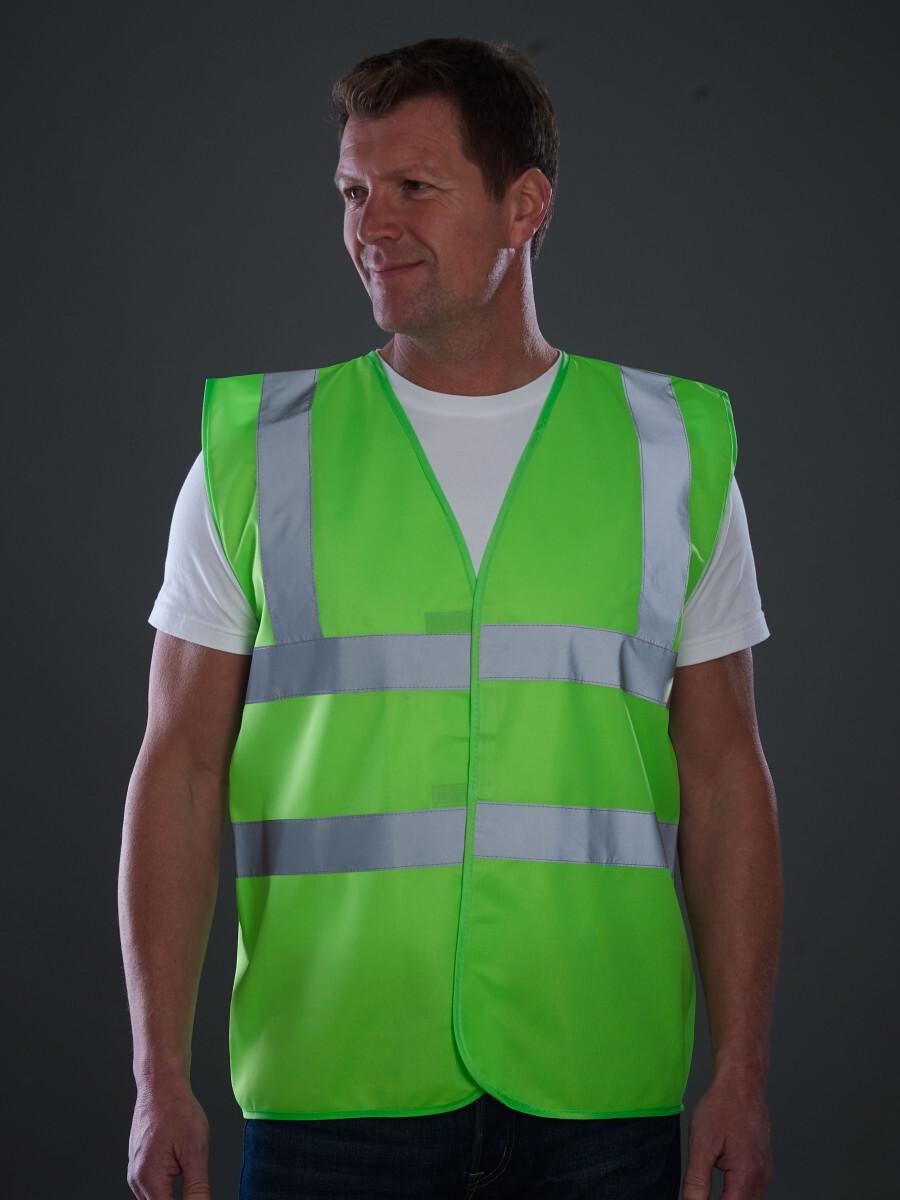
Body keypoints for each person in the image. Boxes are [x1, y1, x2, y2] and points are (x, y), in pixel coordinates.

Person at [119, 36, 782, 1200]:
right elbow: (175, 772)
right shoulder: (255, 456)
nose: (371, 225)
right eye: (352, 191)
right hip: (332, 1086)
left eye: (413, 186)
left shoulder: (672, 451)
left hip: (599, 1088)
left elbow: (727, 777)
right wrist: (156, 1077)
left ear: (525, 205)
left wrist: (741, 1073)